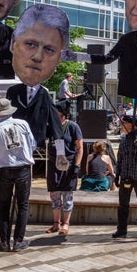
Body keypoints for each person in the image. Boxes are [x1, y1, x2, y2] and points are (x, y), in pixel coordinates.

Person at [6, 4, 67, 152]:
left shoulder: (44, 95)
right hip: (14, 142)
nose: (37, 57)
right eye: (30, 44)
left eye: (49, 49)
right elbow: (6, 118)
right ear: (13, 44)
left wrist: (60, 152)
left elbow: (54, 123)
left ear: (59, 57)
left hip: (35, 142)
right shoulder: (13, 91)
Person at [0, 98, 36, 252]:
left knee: (3, 205)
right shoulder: (23, 124)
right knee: (22, 205)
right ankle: (18, 240)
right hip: (23, 168)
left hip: (3, 169)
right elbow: (33, 144)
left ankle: (4, 241)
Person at [45, 101, 83, 236]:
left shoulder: (73, 127)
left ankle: (66, 223)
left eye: (58, 114)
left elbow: (80, 148)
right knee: (54, 194)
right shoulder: (51, 126)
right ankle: (56, 223)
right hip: (54, 163)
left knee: (67, 194)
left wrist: (77, 166)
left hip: (69, 164)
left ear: (63, 115)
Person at [112, 115, 137, 239]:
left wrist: (135, 141)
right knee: (123, 204)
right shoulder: (123, 139)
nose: (122, 124)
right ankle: (121, 229)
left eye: (124, 122)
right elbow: (120, 158)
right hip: (126, 175)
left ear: (131, 125)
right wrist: (117, 174)